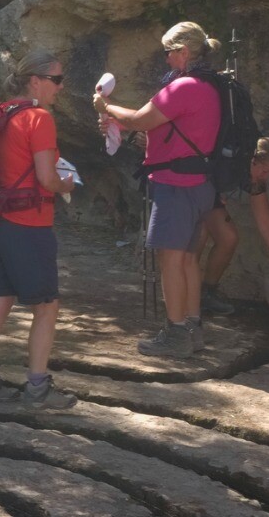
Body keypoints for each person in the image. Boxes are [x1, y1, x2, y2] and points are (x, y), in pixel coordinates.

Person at [91, 21, 223, 359]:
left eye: (168, 53)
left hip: (175, 186)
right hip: (200, 185)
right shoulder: (210, 85)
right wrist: (121, 122)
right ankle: (192, 329)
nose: (165, 59)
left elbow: (139, 120)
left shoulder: (183, 87)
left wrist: (106, 107)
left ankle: (175, 333)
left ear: (183, 52)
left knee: (170, 261)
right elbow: (163, 128)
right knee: (188, 259)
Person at [0, 49, 80, 407]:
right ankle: (37, 388)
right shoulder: (39, 118)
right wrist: (66, 185)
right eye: (56, 79)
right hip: (28, 225)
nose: (60, 87)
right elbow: (47, 178)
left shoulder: (0, 115)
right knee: (46, 306)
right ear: (35, 80)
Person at [194, 135, 269, 314]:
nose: (266, 177)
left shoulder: (255, 179)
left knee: (228, 237)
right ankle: (184, 294)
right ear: (253, 160)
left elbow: (265, 222)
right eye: (265, 171)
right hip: (192, 190)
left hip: (212, 199)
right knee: (199, 234)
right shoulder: (228, 161)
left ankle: (206, 294)